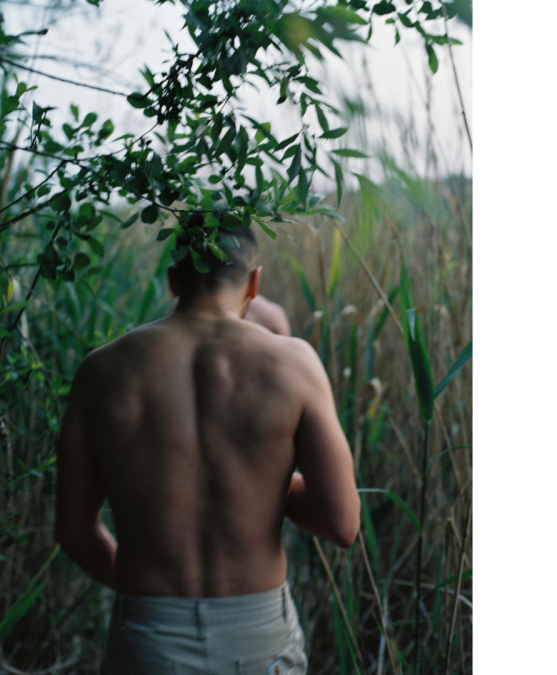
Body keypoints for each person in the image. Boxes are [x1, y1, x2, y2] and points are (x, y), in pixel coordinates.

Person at [54, 215, 360, 675]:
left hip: (149, 634)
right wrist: (270, 487)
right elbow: (342, 524)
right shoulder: (294, 364)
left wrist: (149, 602)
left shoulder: (102, 371)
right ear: (254, 283)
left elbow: (74, 530)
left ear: (173, 279)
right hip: (258, 635)